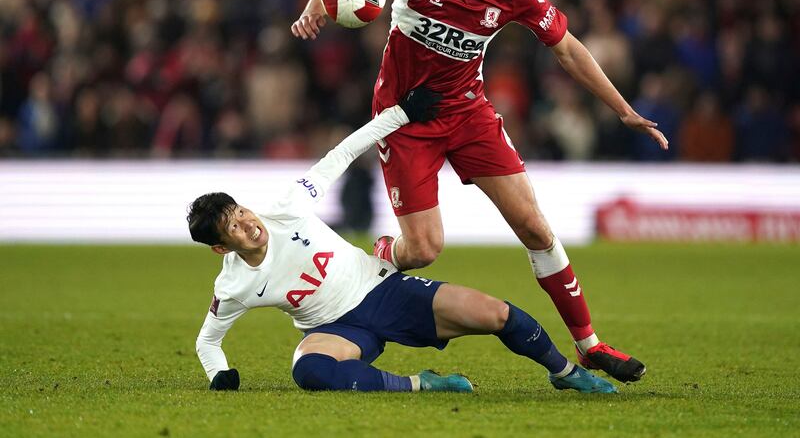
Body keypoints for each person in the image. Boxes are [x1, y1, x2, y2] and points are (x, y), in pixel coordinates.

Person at [291, 0, 670, 383]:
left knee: (535, 227)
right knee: (424, 250)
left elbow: (569, 51)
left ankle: (590, 345)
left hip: (469, 114)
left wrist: (623, 111)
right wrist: (314, 7)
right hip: (405, 120)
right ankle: (382, 254)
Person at [189, 86, 616, 394]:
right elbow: (207, 340)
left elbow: (340, 154)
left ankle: (565, 373)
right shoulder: (233, 286)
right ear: (221, 248)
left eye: (241, 211)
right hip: (335, 329)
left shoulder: (285, 207)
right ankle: (421, 384)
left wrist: (400, 114)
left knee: (499, 315)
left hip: (383, 291)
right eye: (233, 227)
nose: (248, 223)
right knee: (310, 371)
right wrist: (219, 374)